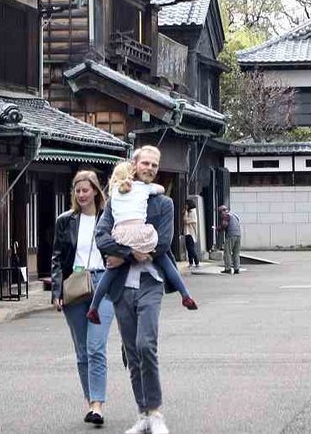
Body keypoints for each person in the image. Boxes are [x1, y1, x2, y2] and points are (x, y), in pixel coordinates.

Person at [95, 145, 175, 434]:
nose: (150, 168)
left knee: (145, 345)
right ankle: (142, 413)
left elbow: (162, 243)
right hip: (121, 286)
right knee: (131, 351)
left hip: (150, 282)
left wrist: (124, 253)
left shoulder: (163, 203)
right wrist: (130, 253)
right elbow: (101, 237)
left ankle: (156, 413)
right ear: (135, 164)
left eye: (155, 164)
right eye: (146, 163)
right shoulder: (118, 197)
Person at [86, 160, 197, 324]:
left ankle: (94, 307)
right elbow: (160, 189)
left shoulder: (114, 193)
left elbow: (102, 235)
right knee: (165, 258)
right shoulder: (141, 188)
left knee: (110, 271)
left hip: (120, 235)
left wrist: (124, 255)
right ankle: (185, 295)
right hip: (139, 232)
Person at [51, 170, 116, 427]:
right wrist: (56, 291)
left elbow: (120, 245)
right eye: (77, 191)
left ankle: (98, 405)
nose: (81, 195)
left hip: (104, 283)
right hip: (75, 285)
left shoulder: (108, 218)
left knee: (95, 346)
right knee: (81, 351)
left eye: (85, 190)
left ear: (96, 191)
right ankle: (91, 401)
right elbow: (56, 257)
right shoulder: (65, 220)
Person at [219, 205, 242, 274]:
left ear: (223, 211)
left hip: (231, 235)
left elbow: (224, 225)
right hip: (238, 235)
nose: (220, 214)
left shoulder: (226, 216)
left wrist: (218, 229)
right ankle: (236, 268)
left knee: (227, 252)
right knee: (236, 253)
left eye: (220, 212)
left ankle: (228, 268)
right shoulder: (234, 215)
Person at [182, 199, 200, 269]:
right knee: (188, 248)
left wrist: (185, 212)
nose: (185, 206)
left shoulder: (192, 212)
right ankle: (191, 262)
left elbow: (186, 221)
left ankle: (196, 262)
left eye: (186, 204)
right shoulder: (189, 212)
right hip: (187, 232)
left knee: (191, 249)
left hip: (191, 233)